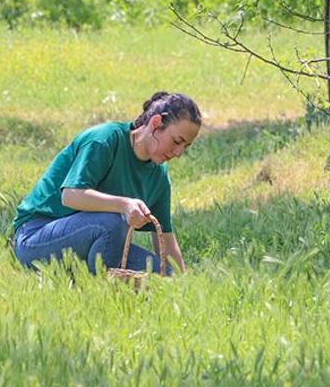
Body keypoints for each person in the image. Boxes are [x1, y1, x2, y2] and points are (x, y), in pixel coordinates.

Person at [11, 91, 201, 274]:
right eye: (177, 141)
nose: (179, 153)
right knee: (113, 222)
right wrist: (125, 205)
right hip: (35, 239)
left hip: (97, 243)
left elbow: (165, 237)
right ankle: (102, 289)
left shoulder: (159, 176)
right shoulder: (104, 140)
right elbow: (70, 195)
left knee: (164, 274)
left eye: (186, 146)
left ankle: (87, 275)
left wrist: (181, 282)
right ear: (155, 124)